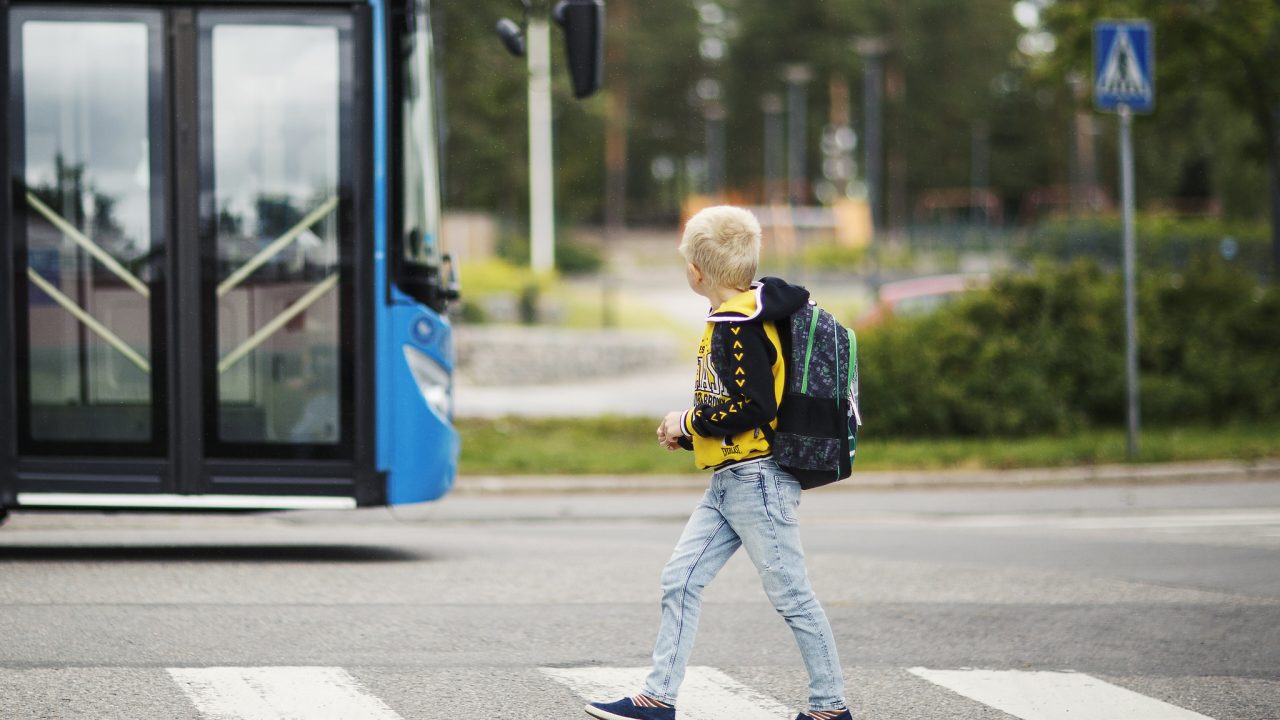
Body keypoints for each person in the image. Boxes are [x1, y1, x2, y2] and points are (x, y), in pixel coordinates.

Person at [585, 206, 852, 720]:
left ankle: (830, 708)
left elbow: (755, 408)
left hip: (758, 483)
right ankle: (658, 698)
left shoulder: (738, 326)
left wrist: (688, 422)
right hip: (732, 481)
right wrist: (690, 435)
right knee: (679, 579)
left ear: (695, 272)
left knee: (792, 595)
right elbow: (740, 409)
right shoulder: (747, 313)